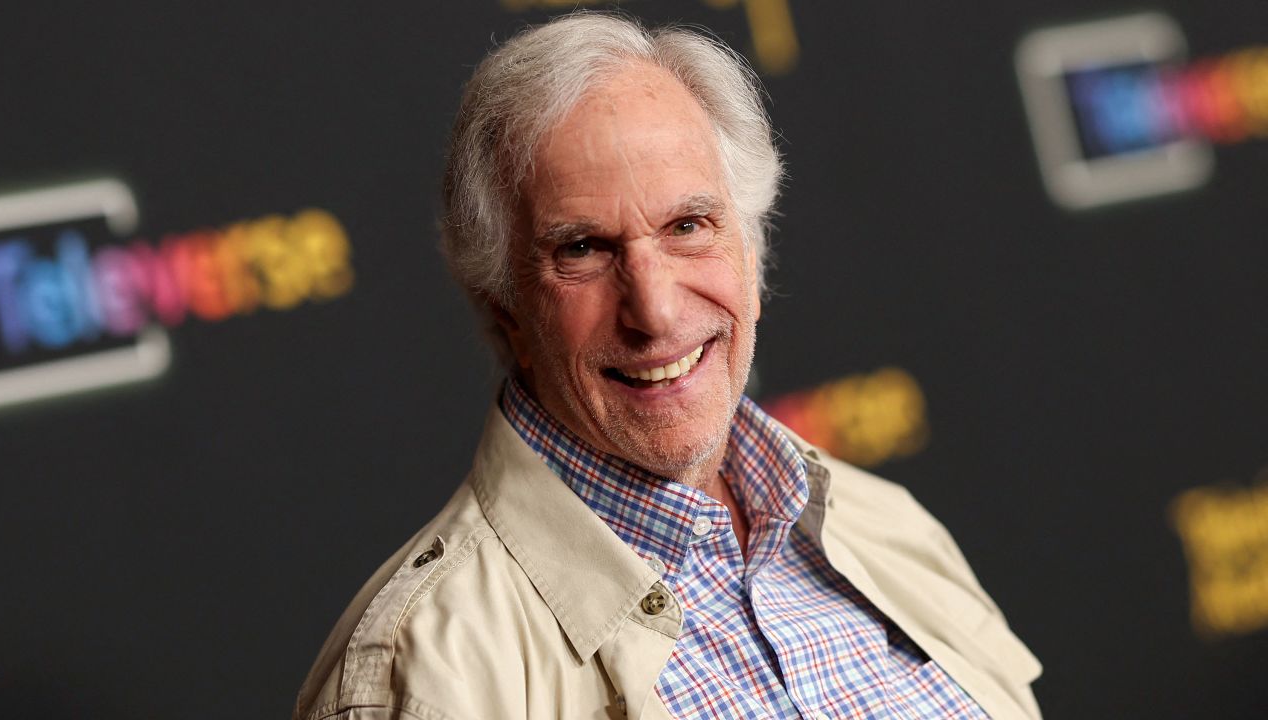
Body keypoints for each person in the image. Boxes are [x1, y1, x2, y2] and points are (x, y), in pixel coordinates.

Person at [294, 13, 1041, 720]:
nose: (653, 310)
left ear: (750, 255)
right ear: (506, 311)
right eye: (583, 250)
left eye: (688, 226)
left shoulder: (888, 529)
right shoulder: (423, 678)